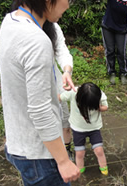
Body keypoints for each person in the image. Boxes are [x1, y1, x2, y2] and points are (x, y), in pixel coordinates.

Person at [0, 0, 79, 186]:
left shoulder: (12, 22)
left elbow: (59, 48)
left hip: (18, 144)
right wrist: (63, 160)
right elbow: (41, 111)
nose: (69, 4)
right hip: (39, 150)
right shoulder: (35, 40)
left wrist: (64, 71)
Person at [59, 82, 109, 175]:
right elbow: (60, 97)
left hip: (94, 128)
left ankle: (104, 167)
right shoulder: (73, 93)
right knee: (79, 153)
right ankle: (80, 169)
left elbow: (105, 107)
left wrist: (98, 107)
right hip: (78, 129)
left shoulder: (99, 95)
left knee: (99, 150)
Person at [102, 0, 127, 85]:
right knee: (110, 50)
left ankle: (123, 73)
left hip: (122, 28)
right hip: (108, 26)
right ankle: (112, 72)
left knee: (121, 51)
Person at [54, 23, 76, 160]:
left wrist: (67, 71)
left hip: (56, 83)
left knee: (64, 121)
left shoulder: (53, 26)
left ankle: (67, 150)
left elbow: (61, 50)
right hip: (33, 86)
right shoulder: (18, 26)